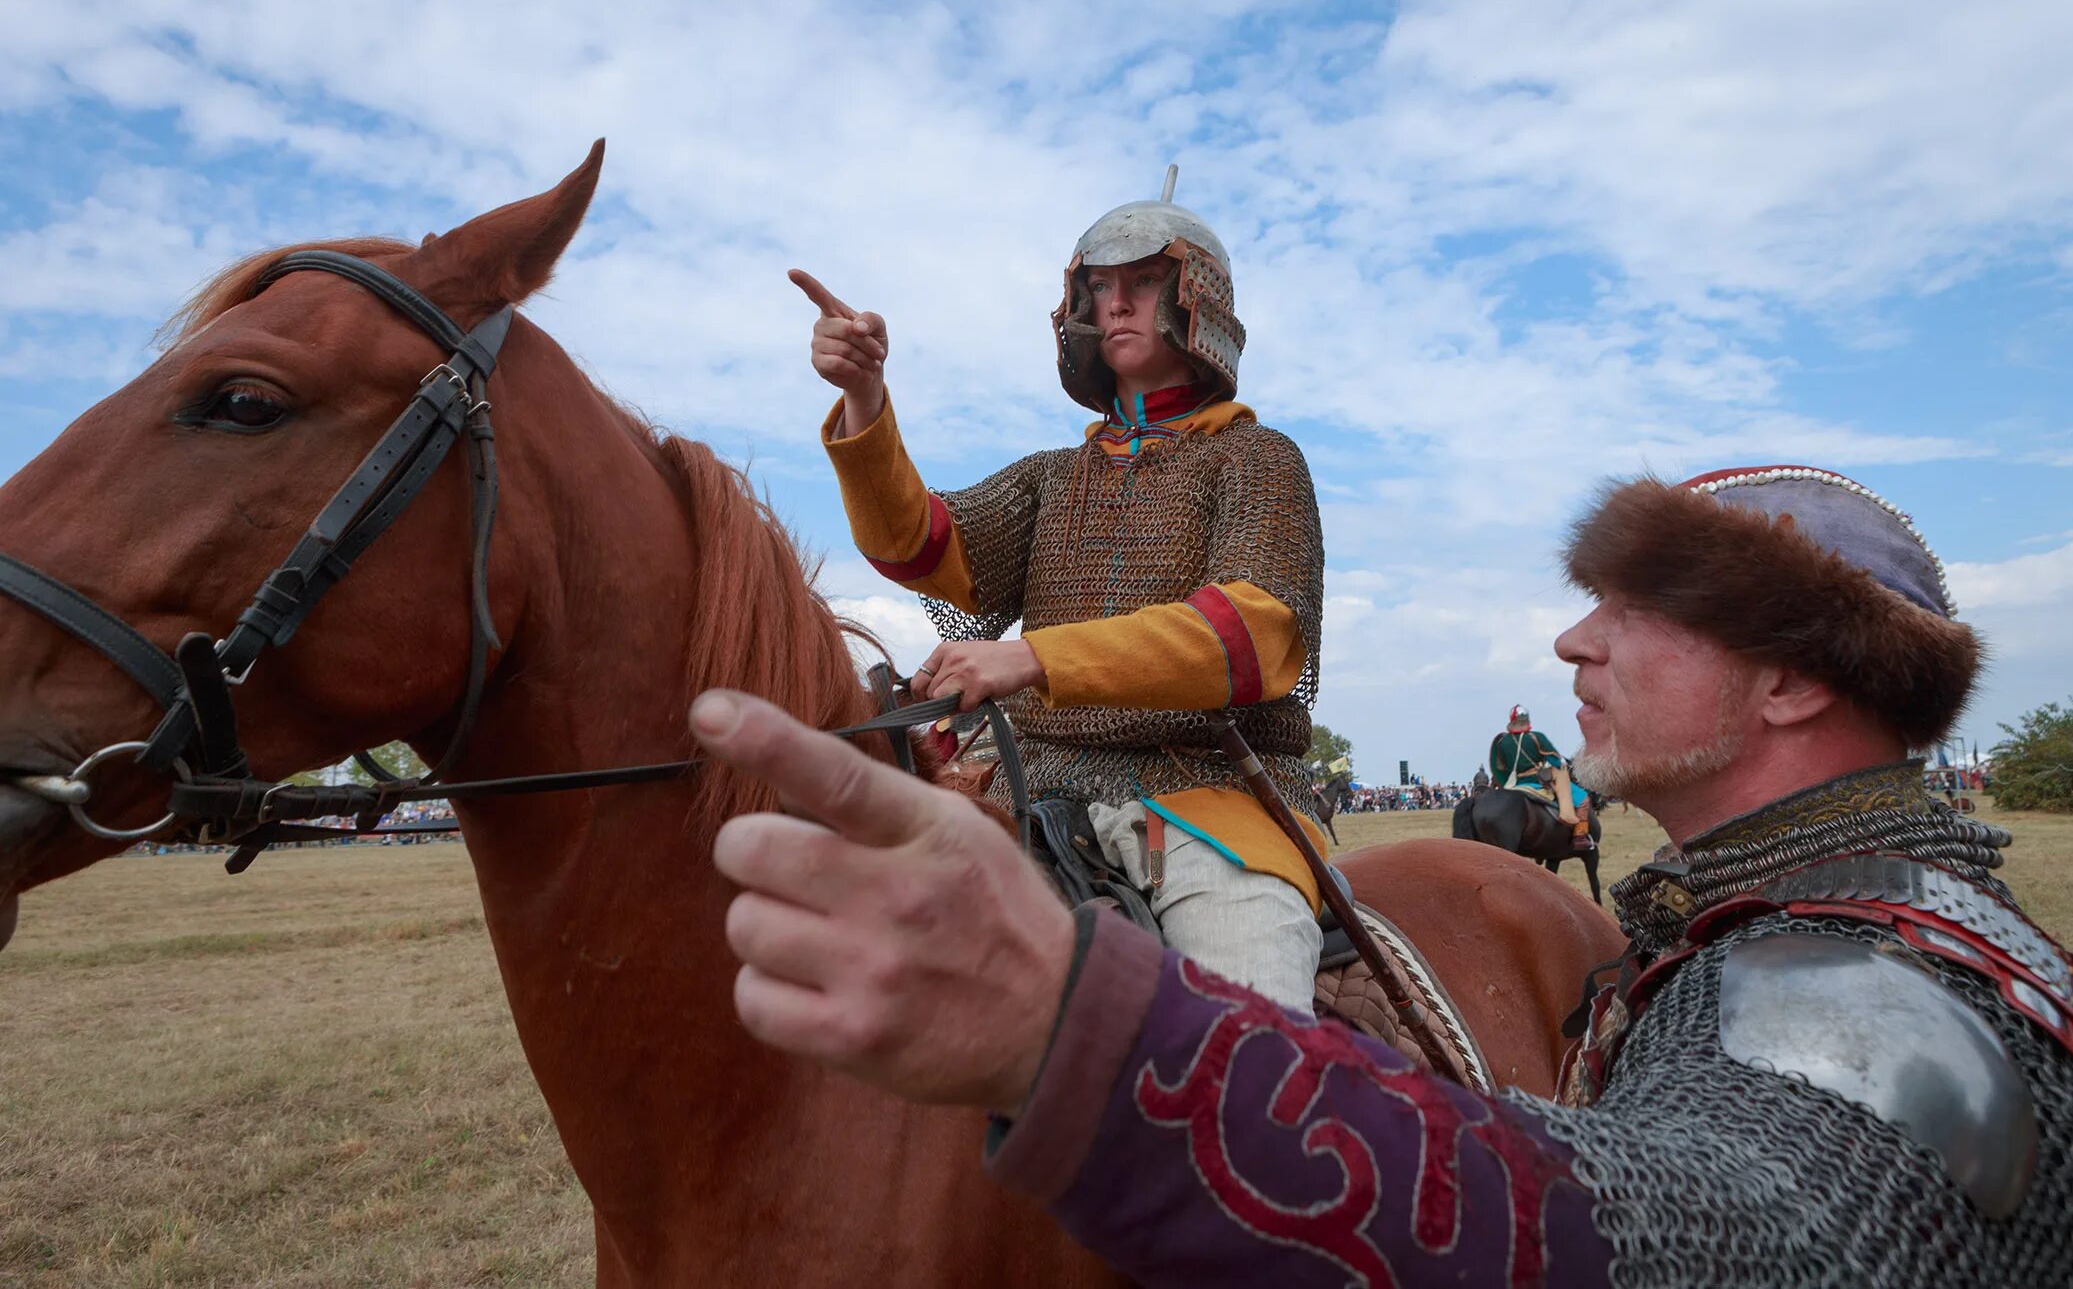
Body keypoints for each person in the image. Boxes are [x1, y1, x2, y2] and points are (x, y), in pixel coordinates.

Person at [695, 463, 2072, 1286]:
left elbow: (1720, 1242)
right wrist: (866, 417)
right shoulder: (1795, 925)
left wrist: (1085, 1035)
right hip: (1056, 786)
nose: (1569, 640)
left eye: (1640, 608)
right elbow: (926, 544)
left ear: (1786, 679)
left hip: (1201, 803)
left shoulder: (1872, 998)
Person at [789, 174, 1328, 1011]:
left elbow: (1247, 639)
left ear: (1197, 302)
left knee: (1246, 1034)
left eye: (1142, 282)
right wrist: (864, 397)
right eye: (1099, 287)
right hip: (1026, 785)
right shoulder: (1052, 479)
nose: (1116, 304)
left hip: (1197, 804)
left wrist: (1031, 656)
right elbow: (920, 547)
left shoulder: (1256, 462)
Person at [1490, 703, 1591, 850]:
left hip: (1514, 785)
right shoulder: (1536, 738)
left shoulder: (1503, 742)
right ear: (1527, 720)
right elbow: (1556, 762)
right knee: (1583, 800)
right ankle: (1580, 837)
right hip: (1536, 783)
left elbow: (1499, 768)